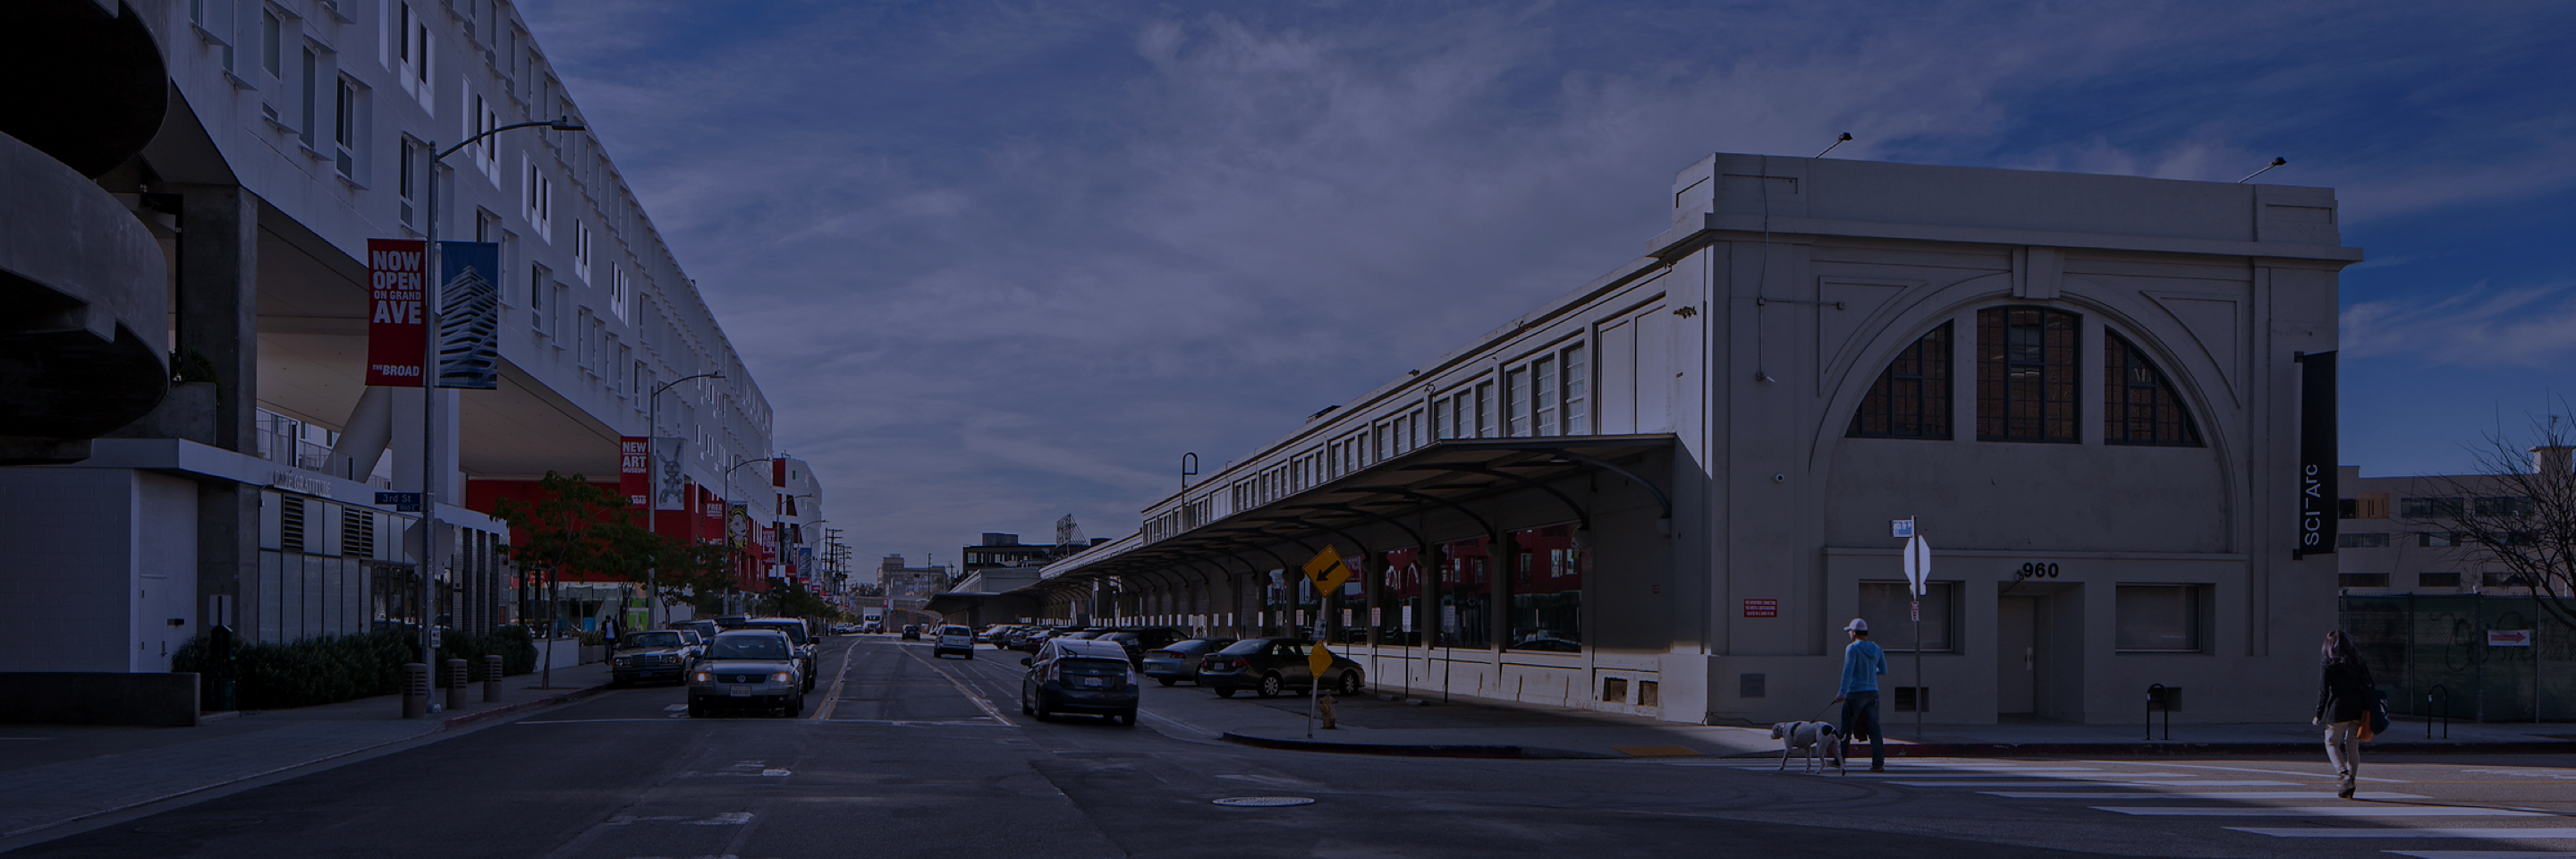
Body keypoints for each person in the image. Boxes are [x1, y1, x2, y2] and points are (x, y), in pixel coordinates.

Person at [2314, 629, 2375, 799]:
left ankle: (2343, 774)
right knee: (2352, 745)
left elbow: (2323, 691)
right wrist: (2368, 708)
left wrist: (2318, 714)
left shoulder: (2328, 663)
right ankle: (2351, 781)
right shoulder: (2358, 661)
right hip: (2358, 707)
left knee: (2331, 741)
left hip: (2338, 708)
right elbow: (2368, 684)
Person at [1833, 617, 1888, 771]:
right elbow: (1884, 670)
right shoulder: (1877, 648)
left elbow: (1848, 672)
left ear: (1854, 632)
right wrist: (1870, 673)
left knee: (1846, 728)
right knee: (1874, 729)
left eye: (1850, 631)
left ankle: (1839, 759)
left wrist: (1842, 693)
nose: (1849, 634)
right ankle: (1878, 763)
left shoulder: (1852, 648)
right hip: (1873, 692)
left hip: (1855, 693)